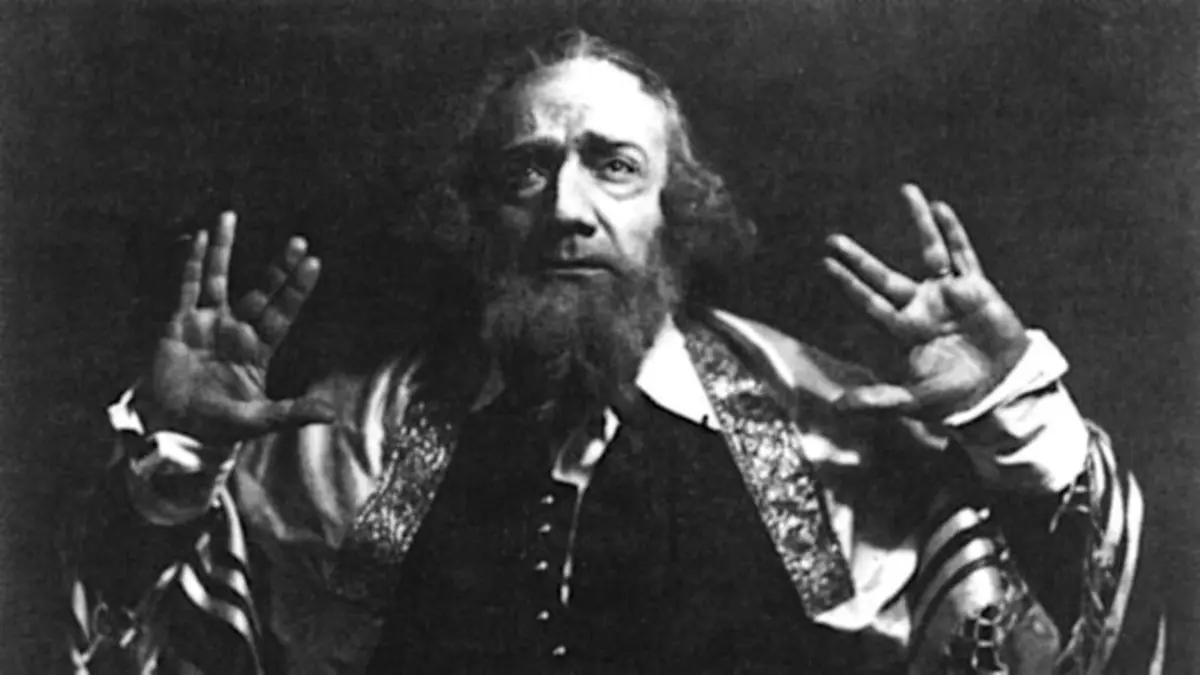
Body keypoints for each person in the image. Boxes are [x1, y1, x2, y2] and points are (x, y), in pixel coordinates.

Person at [64, 29, 1161, 674]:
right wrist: (166, 474)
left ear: (674, 214)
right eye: (525, 172)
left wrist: (1013, 417)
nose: (566, 209)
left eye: (614, 166)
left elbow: (1068, 639)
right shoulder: (341, 443)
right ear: (477, 220)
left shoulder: (828, 427)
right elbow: (135, 649)